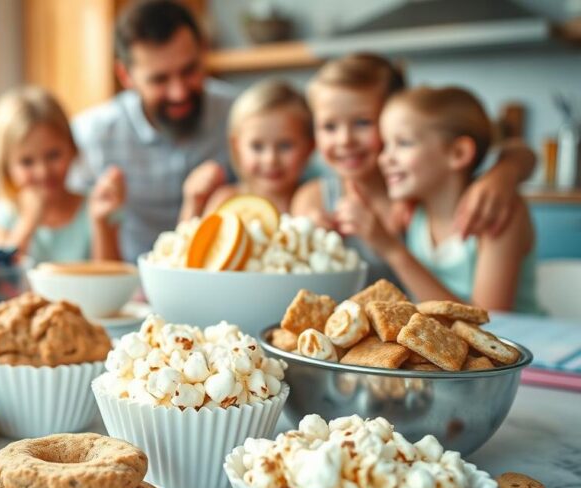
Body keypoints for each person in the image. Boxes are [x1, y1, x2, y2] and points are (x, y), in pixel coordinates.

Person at [290, 53, 536, 285]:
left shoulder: (420, 192)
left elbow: (521, 153)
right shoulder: (315, 199)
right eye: (329, 127)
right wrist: (310, 237)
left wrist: (504, 173)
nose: (345, 140)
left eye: (363, 122)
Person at [337, 86, 539, 313]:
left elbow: (489, 322)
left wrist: (391, 250)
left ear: (458, 153)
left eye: (403, 143)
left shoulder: (497, 211)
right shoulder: (412, 210)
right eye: (385, 145)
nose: (384, 159)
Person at [68, 0, 236, 262]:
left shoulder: (239, 117)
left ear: (203, 52)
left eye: (189, 70)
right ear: (126, 76)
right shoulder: (93, 135)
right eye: (159, 79)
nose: (179, 92)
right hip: (130, 285)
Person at [0, 86, 125, 262]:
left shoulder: (94, 207)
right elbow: (2, 280)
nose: (43, 172)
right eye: (27, 162)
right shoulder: (4, 215)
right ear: (6, 166)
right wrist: (28, 222)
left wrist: (99, 222)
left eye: (53, 155)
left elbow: (110, 279)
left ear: (72, 149)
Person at [180, 79, 314, 221]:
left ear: (310, 147)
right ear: (236, 147)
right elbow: (188, 241)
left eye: (285, 145)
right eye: (257, 146)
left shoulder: (313, 199)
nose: (270, 159)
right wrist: (193, 203)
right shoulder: (226, 200)